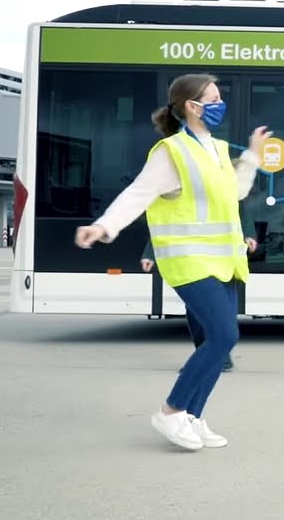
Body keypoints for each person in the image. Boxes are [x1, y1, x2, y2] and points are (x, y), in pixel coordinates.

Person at [75, 73, 270, 452]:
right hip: (188, 261)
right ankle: (171, 410)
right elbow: (138, 194)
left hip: (223, 260)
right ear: (191, 107)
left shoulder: (213, 148)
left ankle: (193, 418)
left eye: (219, 98)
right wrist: (103, 226)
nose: (219, 104)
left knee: (218, 339)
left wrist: (252, 155)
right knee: (224, 336)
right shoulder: (172, 151)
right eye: (212, 99)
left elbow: (236, 191)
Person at [141, 206, 258, 372]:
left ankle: (217, 358)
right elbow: (166, 223)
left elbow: (238, 206)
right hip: (194, 262)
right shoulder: (181, 190)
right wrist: (150, 253)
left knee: (217, 312)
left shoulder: (224, 182)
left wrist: (248, 234)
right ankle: (210, 356)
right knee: (197, 312)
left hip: (223, 259)